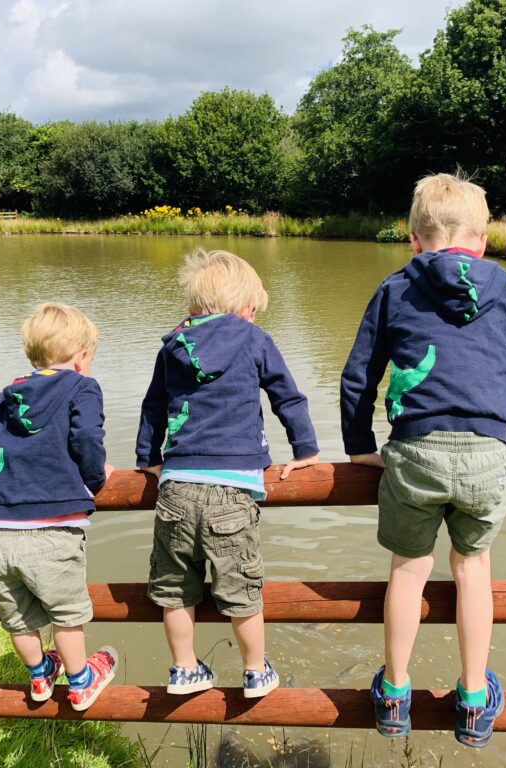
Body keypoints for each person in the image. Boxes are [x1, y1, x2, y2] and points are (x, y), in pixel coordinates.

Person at [340, 173, 506, 746]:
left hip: (413, 453)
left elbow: (358, 376)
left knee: (409, 572)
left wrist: (360, 447)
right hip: (489, 454)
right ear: (481, 241)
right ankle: (472, 699)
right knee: (473, 572)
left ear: (414, 239)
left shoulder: (394, 288)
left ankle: (393, 693)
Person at [136, 248, 319, 698]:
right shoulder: (254, 339)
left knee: (176, 590)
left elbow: (153, 406)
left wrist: (148, 458)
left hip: (176, 487)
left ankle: (183, 668)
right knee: (241, 589)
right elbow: (287, 397)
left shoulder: (173, 345)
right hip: (233, 490)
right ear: (248, 309)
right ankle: (255, 670)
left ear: (193, 307)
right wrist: (306, 450)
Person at [0, 302, 118, 710]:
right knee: (66, 614)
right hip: (54, 528)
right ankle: (81, 682)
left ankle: (40, 675)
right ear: (81, 357)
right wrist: (96, 478)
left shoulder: (11, 393)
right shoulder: (83, 388)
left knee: (19, 617)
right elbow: (85, 438)